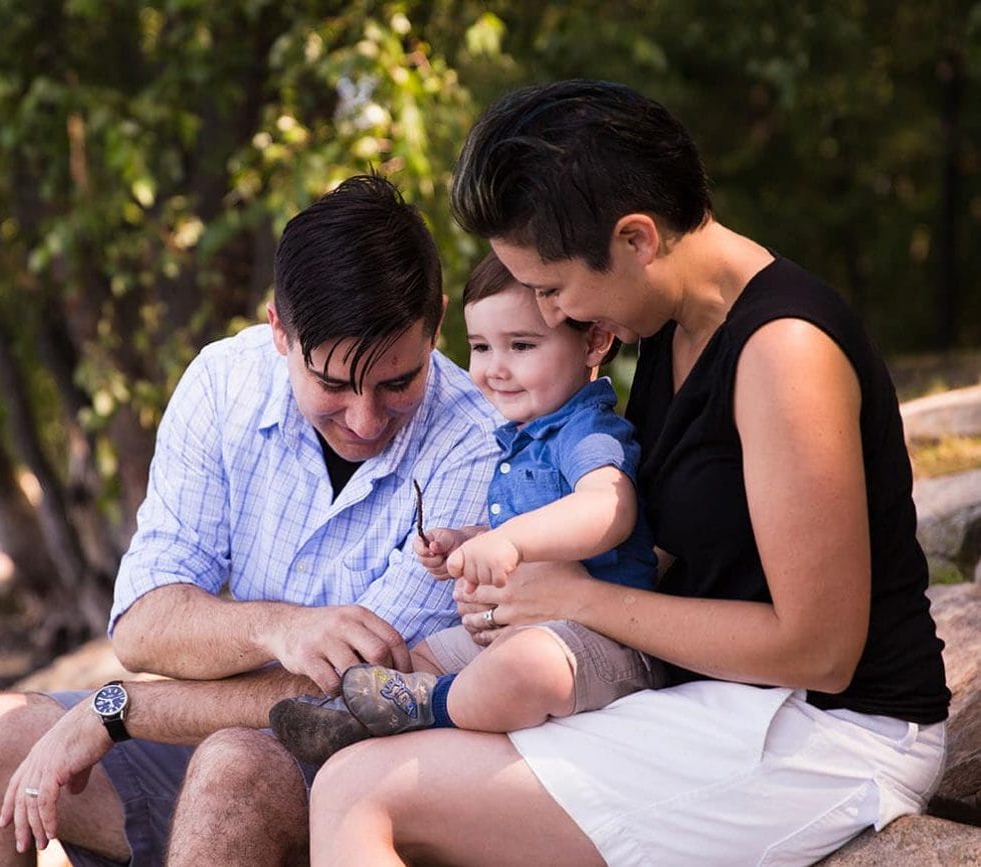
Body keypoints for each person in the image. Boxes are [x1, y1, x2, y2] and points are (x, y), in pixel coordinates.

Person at [307, 80, 951, 867]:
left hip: (834, 733)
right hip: (726, 703)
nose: (550, 316)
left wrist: (578, 597)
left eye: (553, 288)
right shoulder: (671, 334)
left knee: (359, 789)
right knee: (385, 769)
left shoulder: (784, 352)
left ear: (637, 239)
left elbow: (820, 649)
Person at [0, 174, 501, 867]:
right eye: (334, 384)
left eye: (398, 381)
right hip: (218, 733)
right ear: (280, 332)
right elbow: (143, 623)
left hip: (368, 772)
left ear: (436, 321)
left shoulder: (477, 440)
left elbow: (348, 694)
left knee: (232, 766)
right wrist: (279, 625)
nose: (366, 420)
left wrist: (119, 710)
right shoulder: (224, 381)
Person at [271, 252, 661, 760]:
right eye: (481, 347)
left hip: (606, 643)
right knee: (419, 658)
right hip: (530, 627)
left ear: (594, 342)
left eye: (522, 345)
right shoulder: (522, 438)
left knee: (525, 667)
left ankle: (429, 709)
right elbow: (528, 523)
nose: (496, 369)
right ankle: (349, 720)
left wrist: (509, 542)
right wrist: (469, 540)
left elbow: (608, 509)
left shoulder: (586, 430)